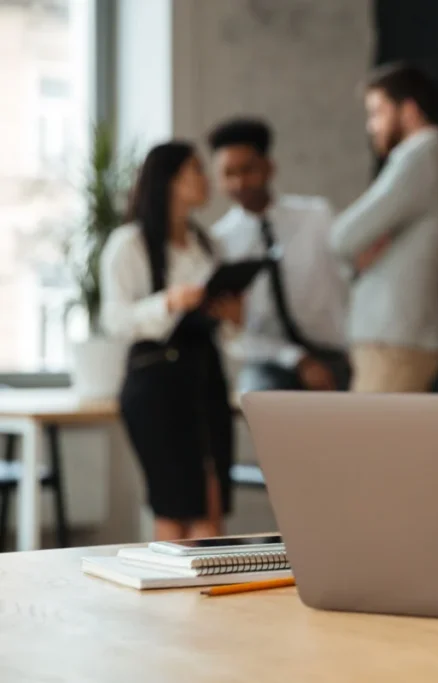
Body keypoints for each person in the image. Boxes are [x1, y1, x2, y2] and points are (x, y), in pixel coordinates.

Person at [100, 142, 241, 541]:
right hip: (156, 383)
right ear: (168, 181)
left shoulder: (207, 244)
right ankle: (172, 601)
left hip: (205, 378)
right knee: (177, 507)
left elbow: (227, 332)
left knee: (210, 506)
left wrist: (231, 317)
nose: (204, 178)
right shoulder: (129, 244)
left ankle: (210, 599)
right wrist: (169, 301)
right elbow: (114, 319)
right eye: (194, 170)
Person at [330, 63, 438, 393]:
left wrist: (364, 246)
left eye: (377, 112)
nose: (371, 125)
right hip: (402, 333)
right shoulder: (434, 158)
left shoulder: (420, 157)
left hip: (395, 335)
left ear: (408, 110)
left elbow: (342, 237)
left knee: (368, 443)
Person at [208, 118, 352, 393]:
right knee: (257, 396)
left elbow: (349, 281)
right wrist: (298, 360)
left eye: (247, 170)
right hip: (270, 361)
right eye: (228, 173)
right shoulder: (219, 243)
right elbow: (234, 335)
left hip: (335, 354)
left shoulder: (316, 216)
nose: (239, 182)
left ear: (268, 167)